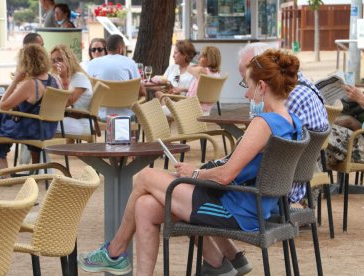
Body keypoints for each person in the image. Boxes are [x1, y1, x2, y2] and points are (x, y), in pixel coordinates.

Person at [77, 49, 303, 276]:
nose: (247, 96)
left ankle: (115, 252)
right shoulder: (292, 123)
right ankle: (215, 264)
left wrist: (193, 173)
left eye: (248, 87)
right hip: (251, 204)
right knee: (145, 207)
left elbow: (226, 176)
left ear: (262, 87)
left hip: (236, 210)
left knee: (146, 177)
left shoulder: (263, 123)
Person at [238, 42, 328, 204]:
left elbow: (255, 151)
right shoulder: (297, 87)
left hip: (278, 185)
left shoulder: (286, 100)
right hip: (296, 175)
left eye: (247, 80)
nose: (247, 91)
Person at [0, 44, 62, 173]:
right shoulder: (55, 79)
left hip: (33, 130)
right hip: (48, 128)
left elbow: (3, 105)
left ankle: (4, 175)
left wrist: (15, 81)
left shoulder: (31, 84)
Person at [85, 34, 146, 120]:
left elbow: (88, 89)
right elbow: (142, 92)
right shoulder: (130, 63)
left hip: (100, 115)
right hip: (126, 117)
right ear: (121, 49)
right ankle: (131, 132)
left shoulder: (92, 63)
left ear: (106, 48)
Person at [161, 46, 221, 117]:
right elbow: (201, 92)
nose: (199, 58)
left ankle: (165, 127)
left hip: (190, 108)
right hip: (204, 110)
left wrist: (197, 64)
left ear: (209, 60)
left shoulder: (201, 71)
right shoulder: (217, 75)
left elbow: (189, 68)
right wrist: (183, 89)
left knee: (158, 111)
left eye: (201, 57)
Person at [50, 44, 93, 136]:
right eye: (54, 61)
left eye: (60, 59)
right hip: (69, 120)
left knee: (39, 125)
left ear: (69, 60)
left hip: (82, 122)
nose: (57, 63)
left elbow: (68, 102)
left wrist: (63, 78)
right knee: (35, 123)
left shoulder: (79, 77)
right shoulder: (56, 78)